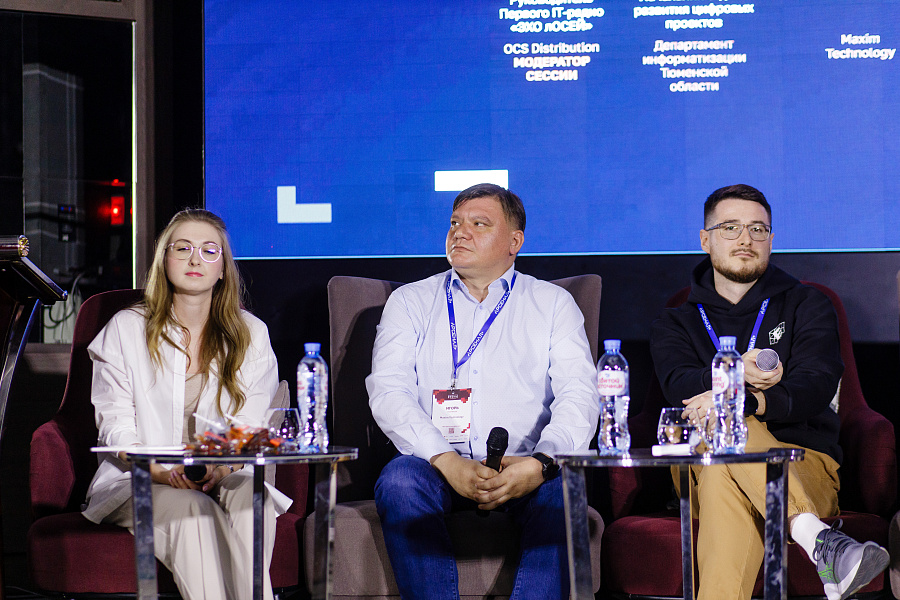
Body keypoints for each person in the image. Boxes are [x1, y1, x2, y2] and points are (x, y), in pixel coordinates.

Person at [650, 184, 889, 600]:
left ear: (771, 240)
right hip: (698, 464)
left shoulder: (808, 304)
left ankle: (817, 538)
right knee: (720, 448)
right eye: (731, 227)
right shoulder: (675, 322)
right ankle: (818, 539)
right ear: (705, 239)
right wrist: (734, 374)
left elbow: (815, 385)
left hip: (802, 461)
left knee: (724, 464)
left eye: (758, 229)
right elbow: (680, 387)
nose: (746, 238)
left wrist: (747, 401)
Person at [367, 183, 599, 600]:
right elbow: (388, 391)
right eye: (455, 223)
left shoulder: (553, 304)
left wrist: (541, 463)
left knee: (564, 488)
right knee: (399, 481)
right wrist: (446, 460)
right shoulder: (410, 301)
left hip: (525, 465)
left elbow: (579, 395)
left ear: (515, 242)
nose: (460, 232)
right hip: (434, 465)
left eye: (479, 224)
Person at [82, 208, 292, 600]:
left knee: (253, 498)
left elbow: (249, 426)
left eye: (209, 250)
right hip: (139, 478)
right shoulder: (126, 328)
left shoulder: (251, 333)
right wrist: (162, 472)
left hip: (221, 469)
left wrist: (218, 467)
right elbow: (115, 425)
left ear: (223, 268)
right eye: (183, 248)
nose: (195, 259)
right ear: (164, 260)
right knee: (195, 510)